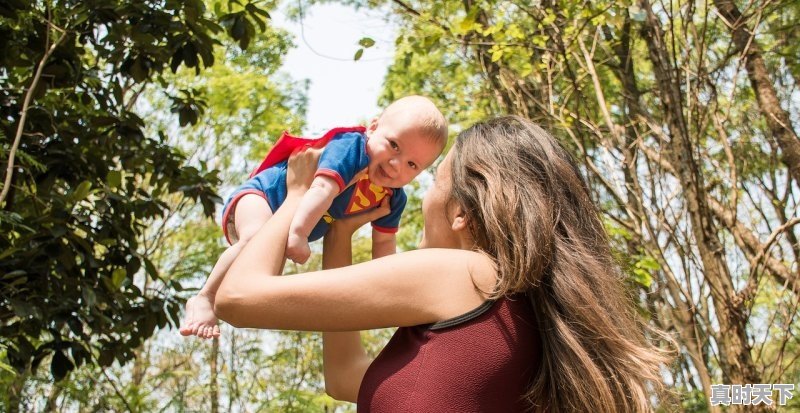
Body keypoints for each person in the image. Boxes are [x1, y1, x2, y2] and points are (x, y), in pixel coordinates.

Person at [214, 116, 672, 412]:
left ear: (462, 213)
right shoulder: (519, 316)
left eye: (432, 180)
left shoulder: (465, 275)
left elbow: (238, 298)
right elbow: (345, 377)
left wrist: (297, 194)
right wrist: (340, 233)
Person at [180, 95, 448, 339]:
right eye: (394, 146)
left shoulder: (392, 198)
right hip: (264, 195)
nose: (396, 164)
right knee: (254, 238)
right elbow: (321, 188)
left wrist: (392, 291)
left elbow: (384, 246)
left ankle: (224, 300)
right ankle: (205, 296)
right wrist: (298, 233)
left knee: (264, 274)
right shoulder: (352, 149)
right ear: (374, 127)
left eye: (412, 164)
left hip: (287, 222)